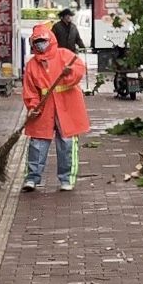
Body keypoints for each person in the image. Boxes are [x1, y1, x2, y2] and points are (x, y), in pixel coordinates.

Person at [22, 24, 90, 192]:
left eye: (43, 41)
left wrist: (69, 73)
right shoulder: (32, 65)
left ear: (50, 40)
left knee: (67, 143)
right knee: (37, 143)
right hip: (44, 107)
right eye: (37, 42)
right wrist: (32, 105)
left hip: (67, 106)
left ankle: (67, 179)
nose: (40, 45)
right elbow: (30, 89)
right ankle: (32, 178)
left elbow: (79, 70)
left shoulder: (65, 55)